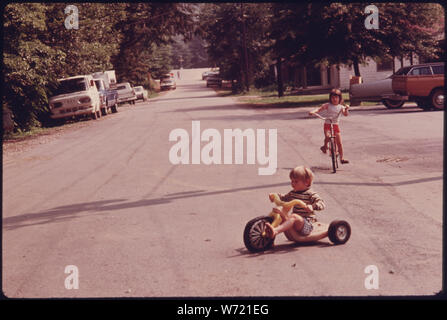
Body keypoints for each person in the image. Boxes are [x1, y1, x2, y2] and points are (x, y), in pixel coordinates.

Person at [264, 166, 325, 239]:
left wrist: (312, 206)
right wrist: (275, 196)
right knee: (279, 213)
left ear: (306, 182)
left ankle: (275, 231)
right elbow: (285, 198)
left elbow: (321, 203)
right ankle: (269, 237)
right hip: (294, 224)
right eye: (292, 181)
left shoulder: (311, 194)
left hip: (307, 225)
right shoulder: (293, 193)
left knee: (294, 216)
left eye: (296, 181)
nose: (293, 183)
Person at [309, 88, 350, 164]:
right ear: (330, 98)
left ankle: (342, 158)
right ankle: (325, 146)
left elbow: (345, 114)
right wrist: (313, 112)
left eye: (336, 97)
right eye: (333, 97)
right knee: (327, 136)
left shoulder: (341, 107)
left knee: (339, 142)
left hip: (335, 125)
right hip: (327, 124)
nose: (334, 99)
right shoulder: (328, 105)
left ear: (339, 98)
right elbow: (319, 109)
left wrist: (346, 109)